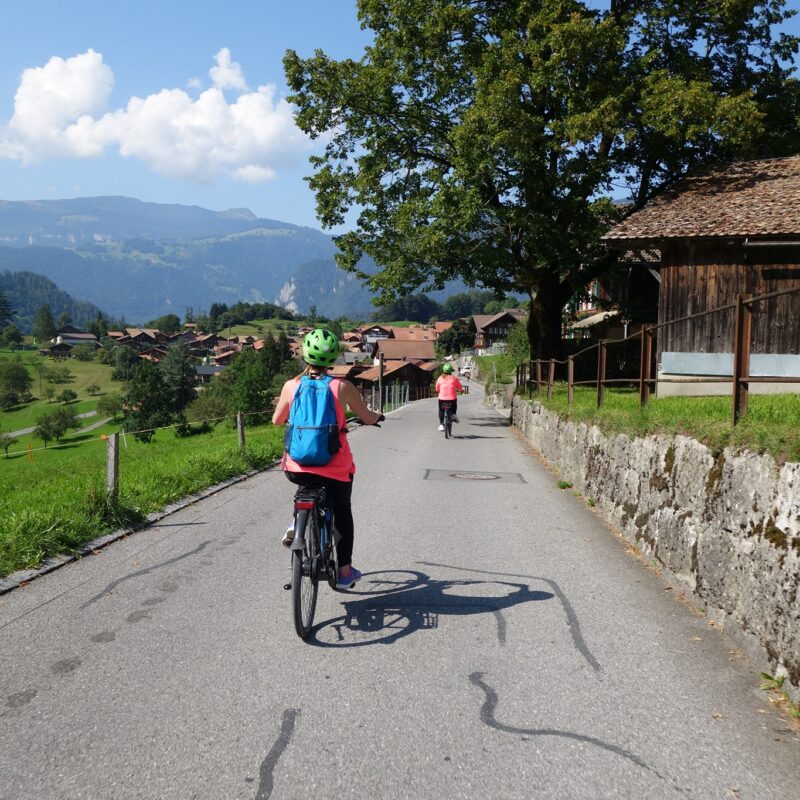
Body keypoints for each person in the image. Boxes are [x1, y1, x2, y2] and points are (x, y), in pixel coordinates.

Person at [272, 328, 383, 587]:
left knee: (305, 486)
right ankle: (344, 574)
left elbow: (277, 420)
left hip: (297, 465)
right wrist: (377, 417)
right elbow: (367, 417)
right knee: (342, 511)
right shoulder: (342, 387)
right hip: (335, 468)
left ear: (304, 354)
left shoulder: (291, 386)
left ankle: (297, 520)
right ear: (333, 357)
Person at [435, 362, 464, 431]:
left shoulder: (440, 378)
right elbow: (459, 387)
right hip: (452, 398)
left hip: (442, 398)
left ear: (443, 371)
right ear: (451, 371)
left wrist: (438, 391)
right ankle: (453, 415)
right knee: (454, 406)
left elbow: (437, 388)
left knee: (441, 410)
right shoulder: (454, 378)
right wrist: (461, 390)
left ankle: (441, 425)